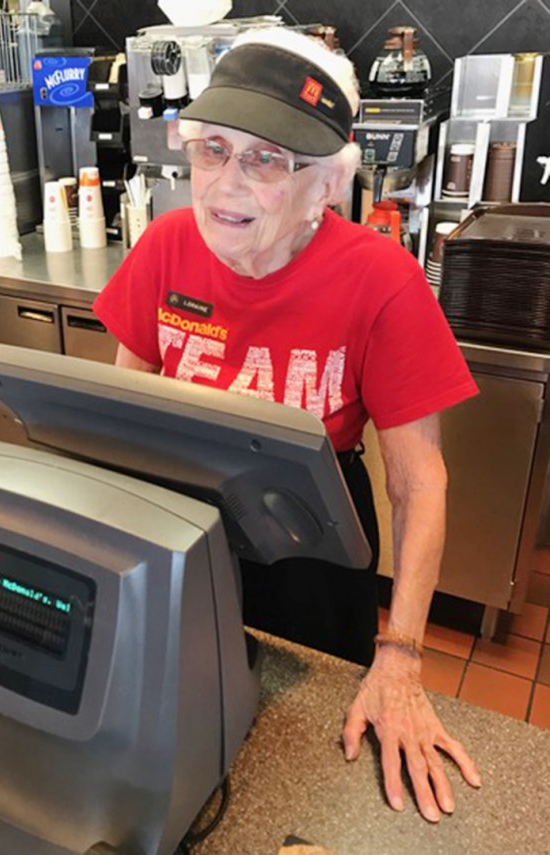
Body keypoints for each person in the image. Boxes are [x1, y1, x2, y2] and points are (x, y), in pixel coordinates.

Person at [93, 27, 482, 823]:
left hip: (312, 547)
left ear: (325, 186)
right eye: (212, 149)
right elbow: (121, 424)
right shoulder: (166, 247)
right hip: (184, 532)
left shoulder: (384, 280)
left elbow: (419, 482)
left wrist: (401, 658)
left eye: (266, 159)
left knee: (306, 774)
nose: (224, 184)